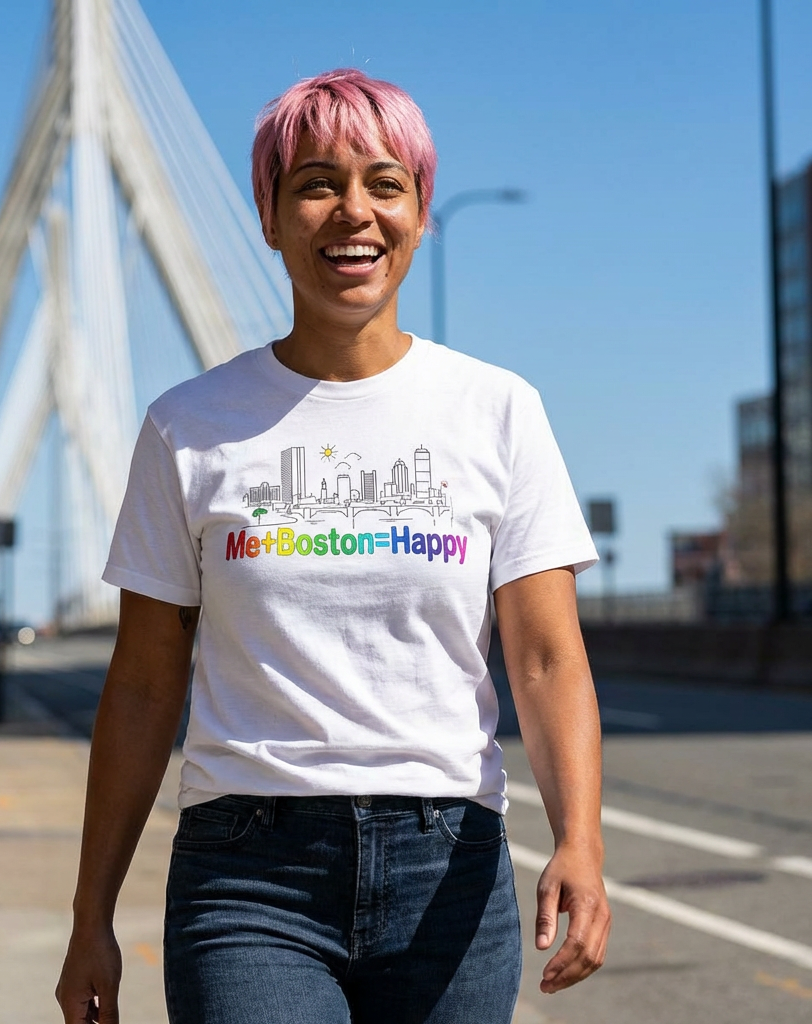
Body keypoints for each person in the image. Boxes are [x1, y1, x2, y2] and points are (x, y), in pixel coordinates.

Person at [57, 68, 610, 1024]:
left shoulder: (499, 411)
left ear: (419, 213)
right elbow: (145, 683)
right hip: (248, 878)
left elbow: (547, 654)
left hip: (450, 867)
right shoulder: (188, 428)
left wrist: (582, 844)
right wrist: (91, 913)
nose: (352, 211)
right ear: (268, 218)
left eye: (384, 183)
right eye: (315, 182)